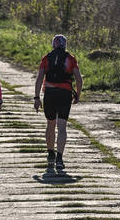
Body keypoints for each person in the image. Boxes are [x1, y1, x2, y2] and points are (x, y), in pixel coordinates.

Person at [34, 33, 83, 170]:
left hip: (49, 93)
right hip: (65, 94)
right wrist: (77, 95)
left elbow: (39, 79)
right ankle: (60, 158)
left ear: (53, 44)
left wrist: (37, 97)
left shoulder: (47, 58)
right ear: (65, 45)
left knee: (50, 124)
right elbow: (78, 79)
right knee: (62, 127)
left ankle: (50, 155)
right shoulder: (70, 59)